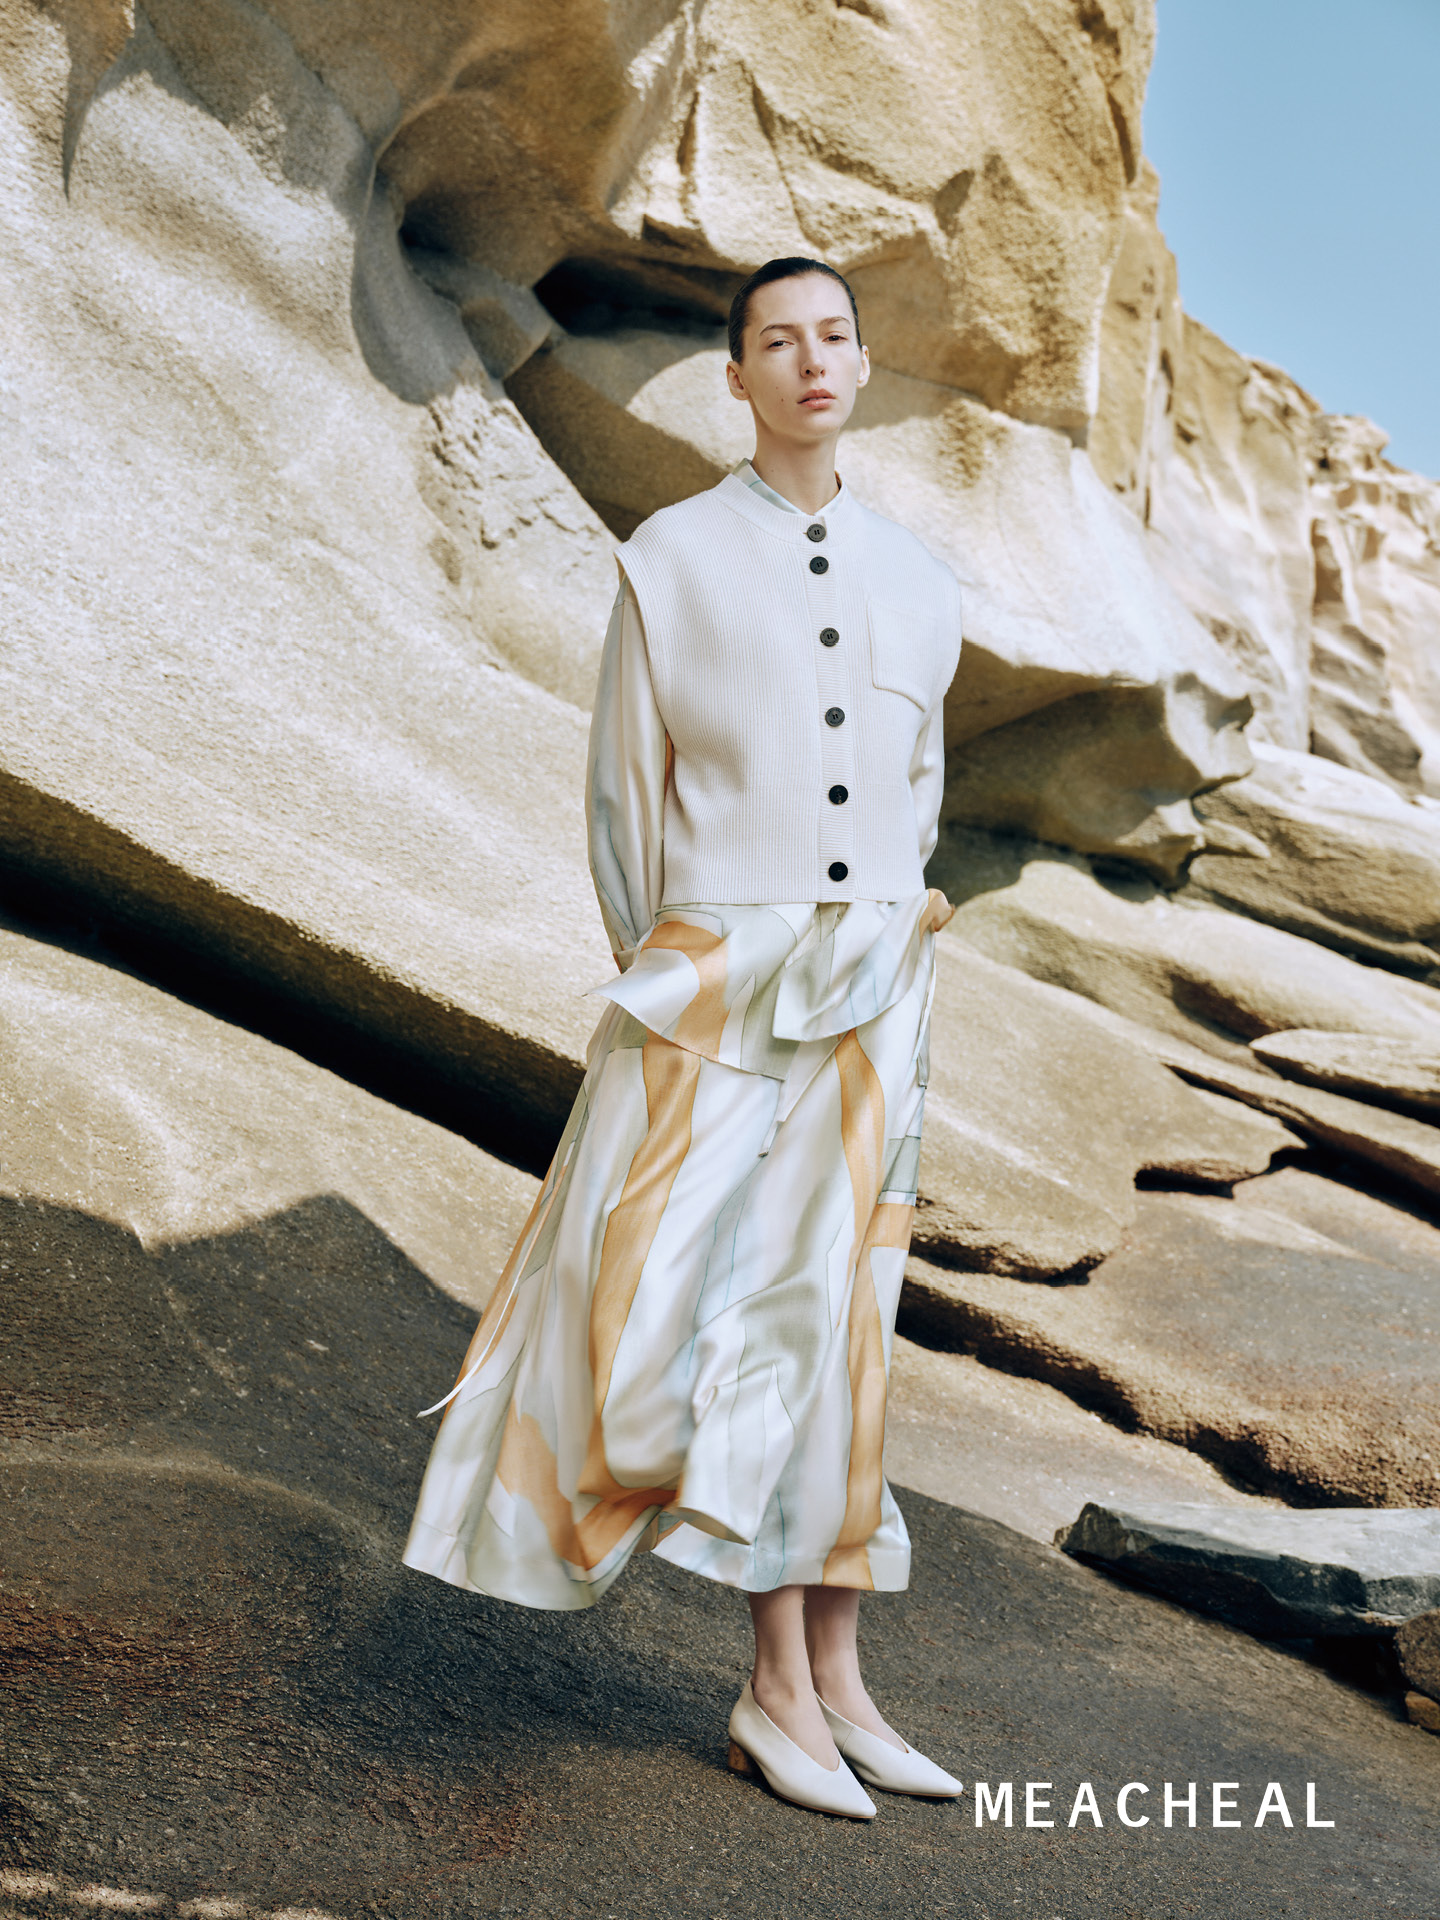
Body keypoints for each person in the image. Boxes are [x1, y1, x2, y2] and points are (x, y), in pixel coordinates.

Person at [405, 256, 963, 1820]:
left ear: (863, 365)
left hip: (880, 985)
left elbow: (917, 797)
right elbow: (622, 799)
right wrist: (681, 958)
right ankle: (775, 1685)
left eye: (834, 336)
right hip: (716, 983)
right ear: (737, 377)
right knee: (713, 1318)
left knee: (843, 1324)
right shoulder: (673, 556)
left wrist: (885, 933)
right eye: (778, 341)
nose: (810, 361)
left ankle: (834, 1681)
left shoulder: (924, 578)